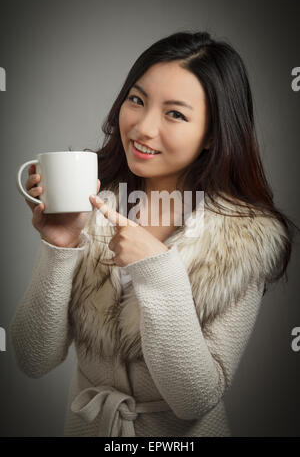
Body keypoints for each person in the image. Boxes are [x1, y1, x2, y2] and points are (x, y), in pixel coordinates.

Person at [10, 30, 298, 437]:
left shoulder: (244, 238)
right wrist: (60, 245)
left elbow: (195, 399)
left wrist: (158, 270)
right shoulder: (86, 200)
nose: (143, 128)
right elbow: (33, 359)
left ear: (212, 134)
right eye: (137, 100)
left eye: (175, 114)